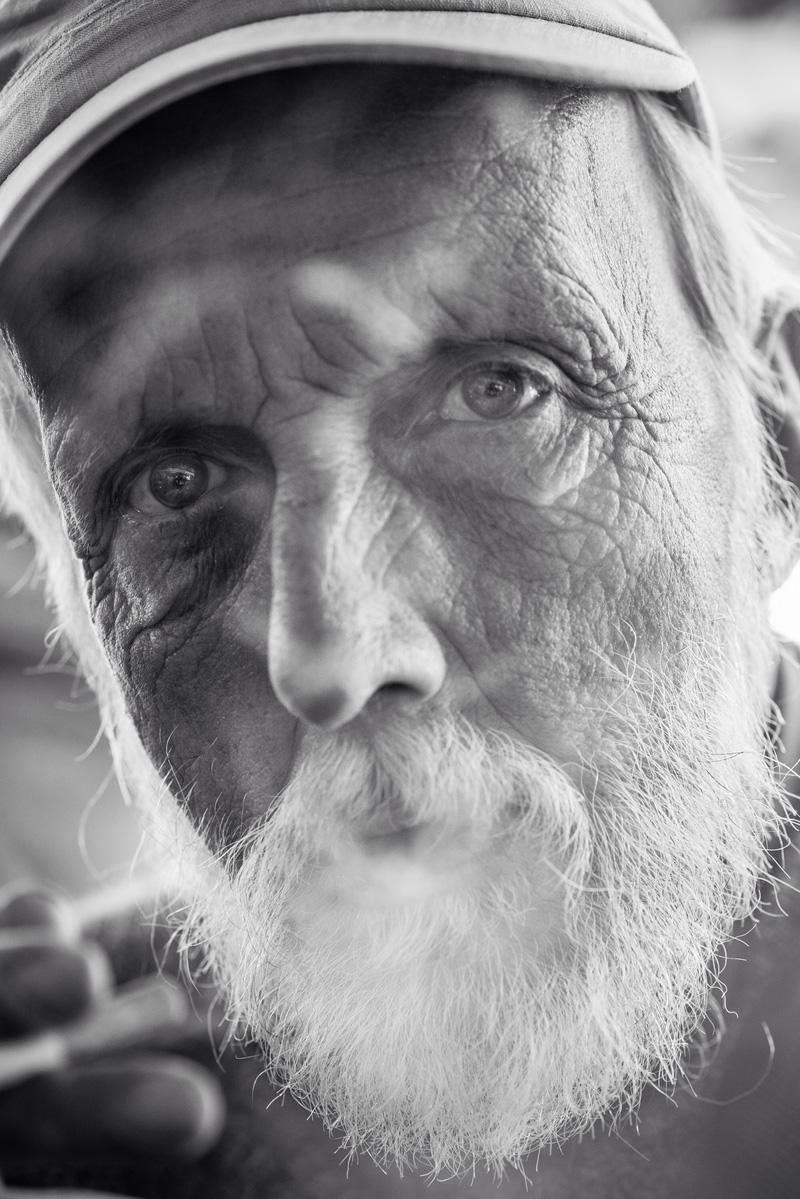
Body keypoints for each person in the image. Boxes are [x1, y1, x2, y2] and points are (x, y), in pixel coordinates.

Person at [0, 1, 800, 1195]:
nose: (332, 652)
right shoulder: (87, 1098)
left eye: (500, 391)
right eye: (174, 486)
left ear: (774, 440)